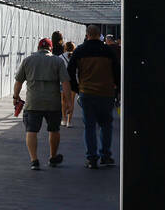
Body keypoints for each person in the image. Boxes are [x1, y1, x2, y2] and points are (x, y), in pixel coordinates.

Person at [13, 38, 71, 171]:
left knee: (31, 130)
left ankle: (34, 160)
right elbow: (66, 83)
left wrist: (15, 97)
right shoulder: (57, 61)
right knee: (54, 129)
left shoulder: (28, 60)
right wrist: (68, 102)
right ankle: (53, 156)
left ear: (38, 48)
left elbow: (18, 82)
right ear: (51, 48)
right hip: (53, 102)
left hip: (33, 102)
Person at [68, 25, 121, 169]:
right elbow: (117, 71)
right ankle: (106, 156)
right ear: (100, 35)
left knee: (89, 127)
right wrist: (117, 88)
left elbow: (70, 71)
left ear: (87, 35)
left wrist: (76, 88)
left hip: (87, 93)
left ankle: (91, 159)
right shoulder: (108, 51)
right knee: (106, 125)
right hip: (106, 93)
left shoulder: (79, 50)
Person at [60, 40, 76, 127]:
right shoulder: (76, 56)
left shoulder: (60, 57)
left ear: (65, 48)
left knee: (63, 101)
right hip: (73, 81)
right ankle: (69, 122)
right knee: (72, 101)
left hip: (62, 81)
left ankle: (64, 119)